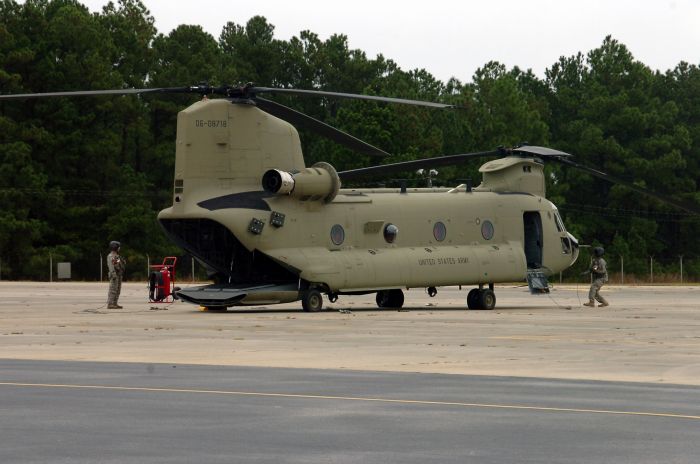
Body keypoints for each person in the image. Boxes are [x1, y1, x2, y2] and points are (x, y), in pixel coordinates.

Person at [107, 241, 126, 309]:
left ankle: (115, 303)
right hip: (114, 275)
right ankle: (110, 303)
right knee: (113, 289)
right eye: (118, 247)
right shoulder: (110, 256)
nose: (119, 248)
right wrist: (114, 275)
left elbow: (118, 265)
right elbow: (111, 266)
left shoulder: (116, 256)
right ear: (115, 247)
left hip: (119, 275)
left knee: (118, 289)